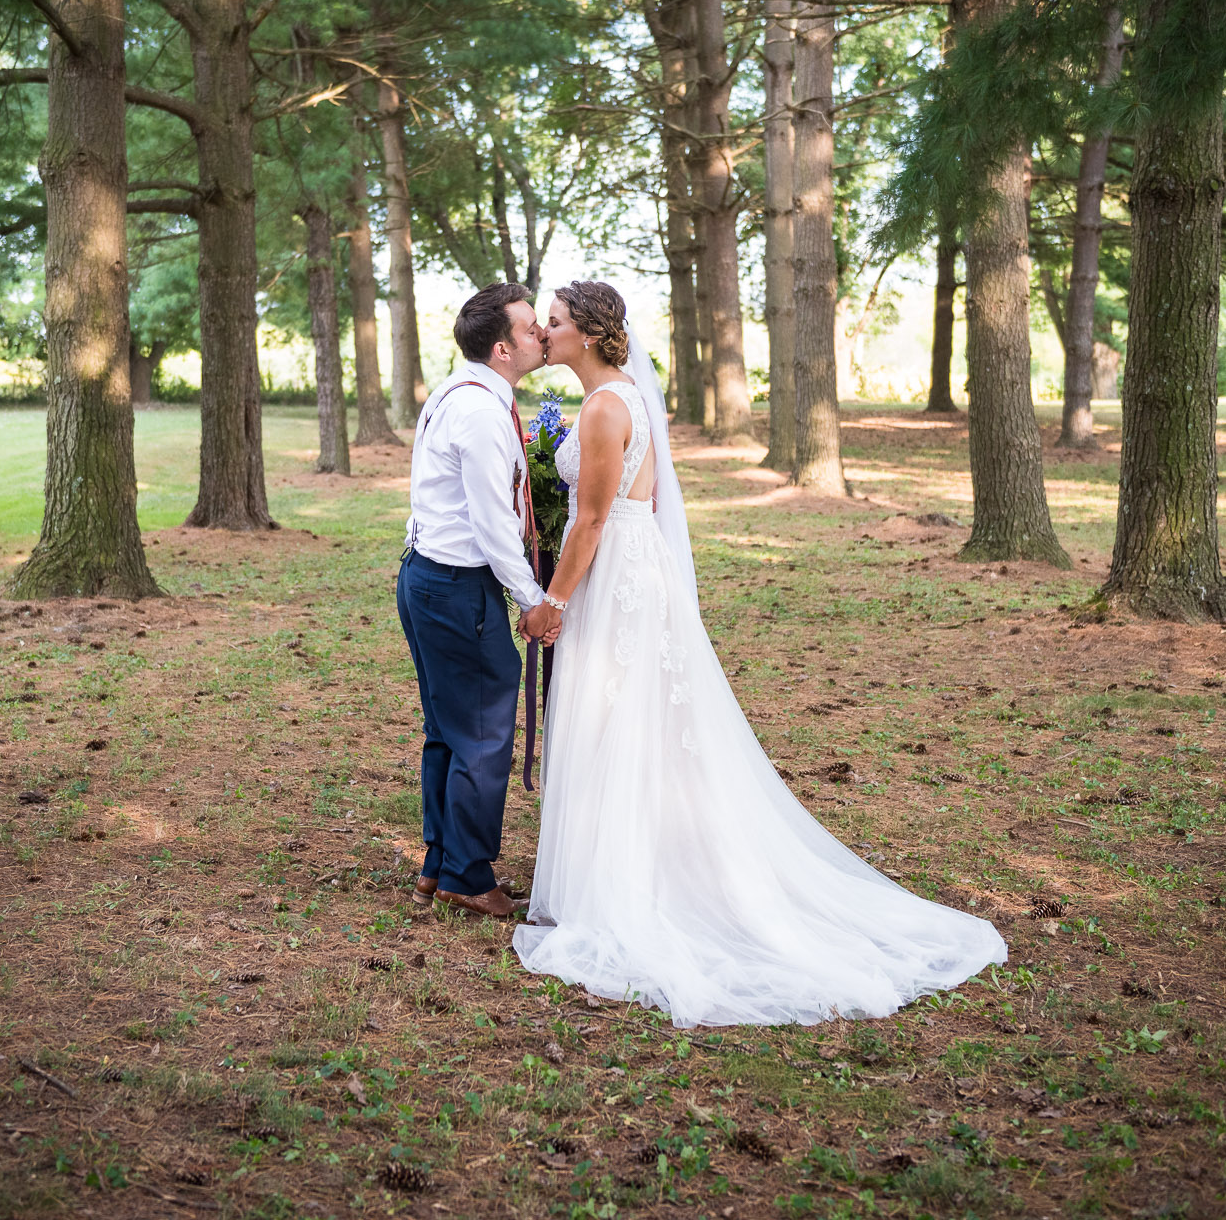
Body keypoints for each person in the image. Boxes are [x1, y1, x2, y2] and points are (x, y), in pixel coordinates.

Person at [512, 280, 1007, 1027]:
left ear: (587, 331)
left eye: (552, 322)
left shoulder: (607, 406)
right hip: (631, 569)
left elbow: (589, 521)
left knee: (617, 718)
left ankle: (628, 883)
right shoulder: (620, 399)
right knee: (631, 723)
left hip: (616, 577)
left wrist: (551, 602)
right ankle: (625, 864)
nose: (543, 333)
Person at [396, 283, 560, 921]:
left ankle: (438, 865)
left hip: (428, 578)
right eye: (529, 328)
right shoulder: (483, 414)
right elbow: (494, 525)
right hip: (458, 587)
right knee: (485, 731)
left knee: (449, 728)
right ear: (502, 348)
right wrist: (534, 600)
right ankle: (467, 872)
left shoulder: (458, 391)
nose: (540, 335)